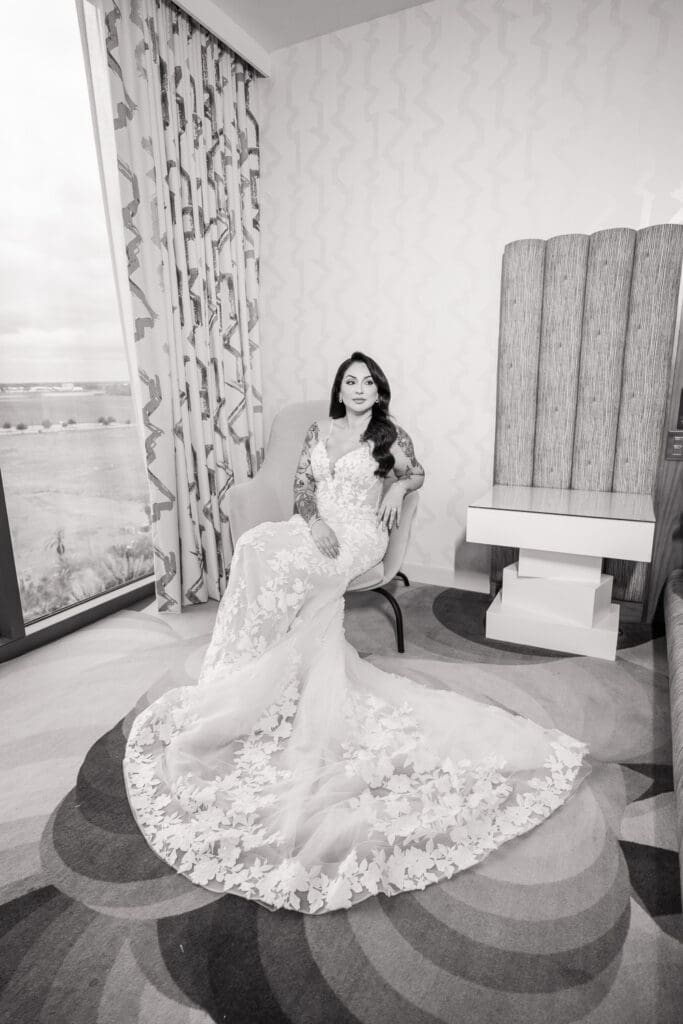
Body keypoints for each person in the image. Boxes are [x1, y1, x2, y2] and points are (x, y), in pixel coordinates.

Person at [123, 352, 589, 914]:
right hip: (316, 527)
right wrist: (314, 522)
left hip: (361, 535)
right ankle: (244, 672)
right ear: (340, 390)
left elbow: (418, 472)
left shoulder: (390, 434)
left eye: (369, 382)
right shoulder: (318, 431)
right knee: (254, 545)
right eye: (351, 381)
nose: (360, 388)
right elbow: (302, 487)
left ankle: (258, 672)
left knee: (284, 565)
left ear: (378, 391)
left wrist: (397, 487)